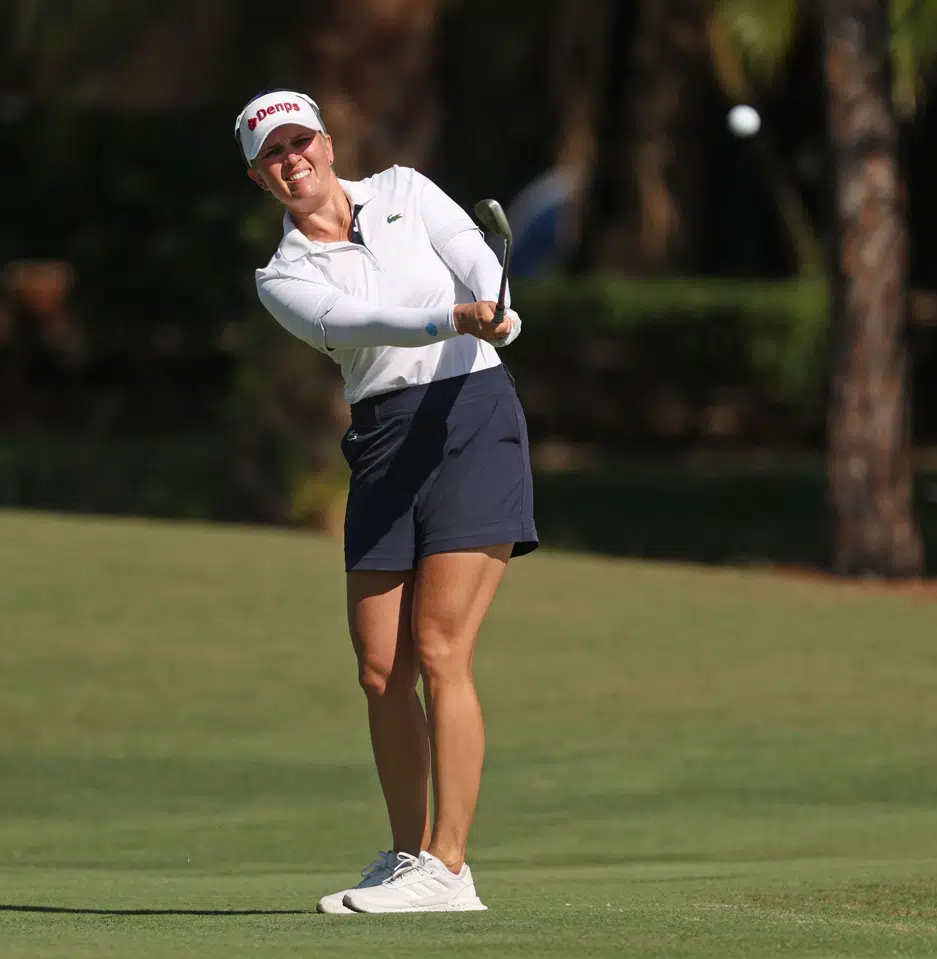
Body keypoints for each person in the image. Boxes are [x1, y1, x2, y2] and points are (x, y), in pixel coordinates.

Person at [235, 88, 538, 914]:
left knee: (440, 648)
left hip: (472, 414)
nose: (292, 160)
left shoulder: (405, 188)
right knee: (380, 668)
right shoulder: (284, 276)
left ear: (327, 143)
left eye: (300, 142)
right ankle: (410, 856)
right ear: (260, 178)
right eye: (273, 155)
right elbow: (363, 321)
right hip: (384, 436)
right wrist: (458, 316)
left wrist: (498, 312)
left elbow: (471, 250)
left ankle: (450, 866)